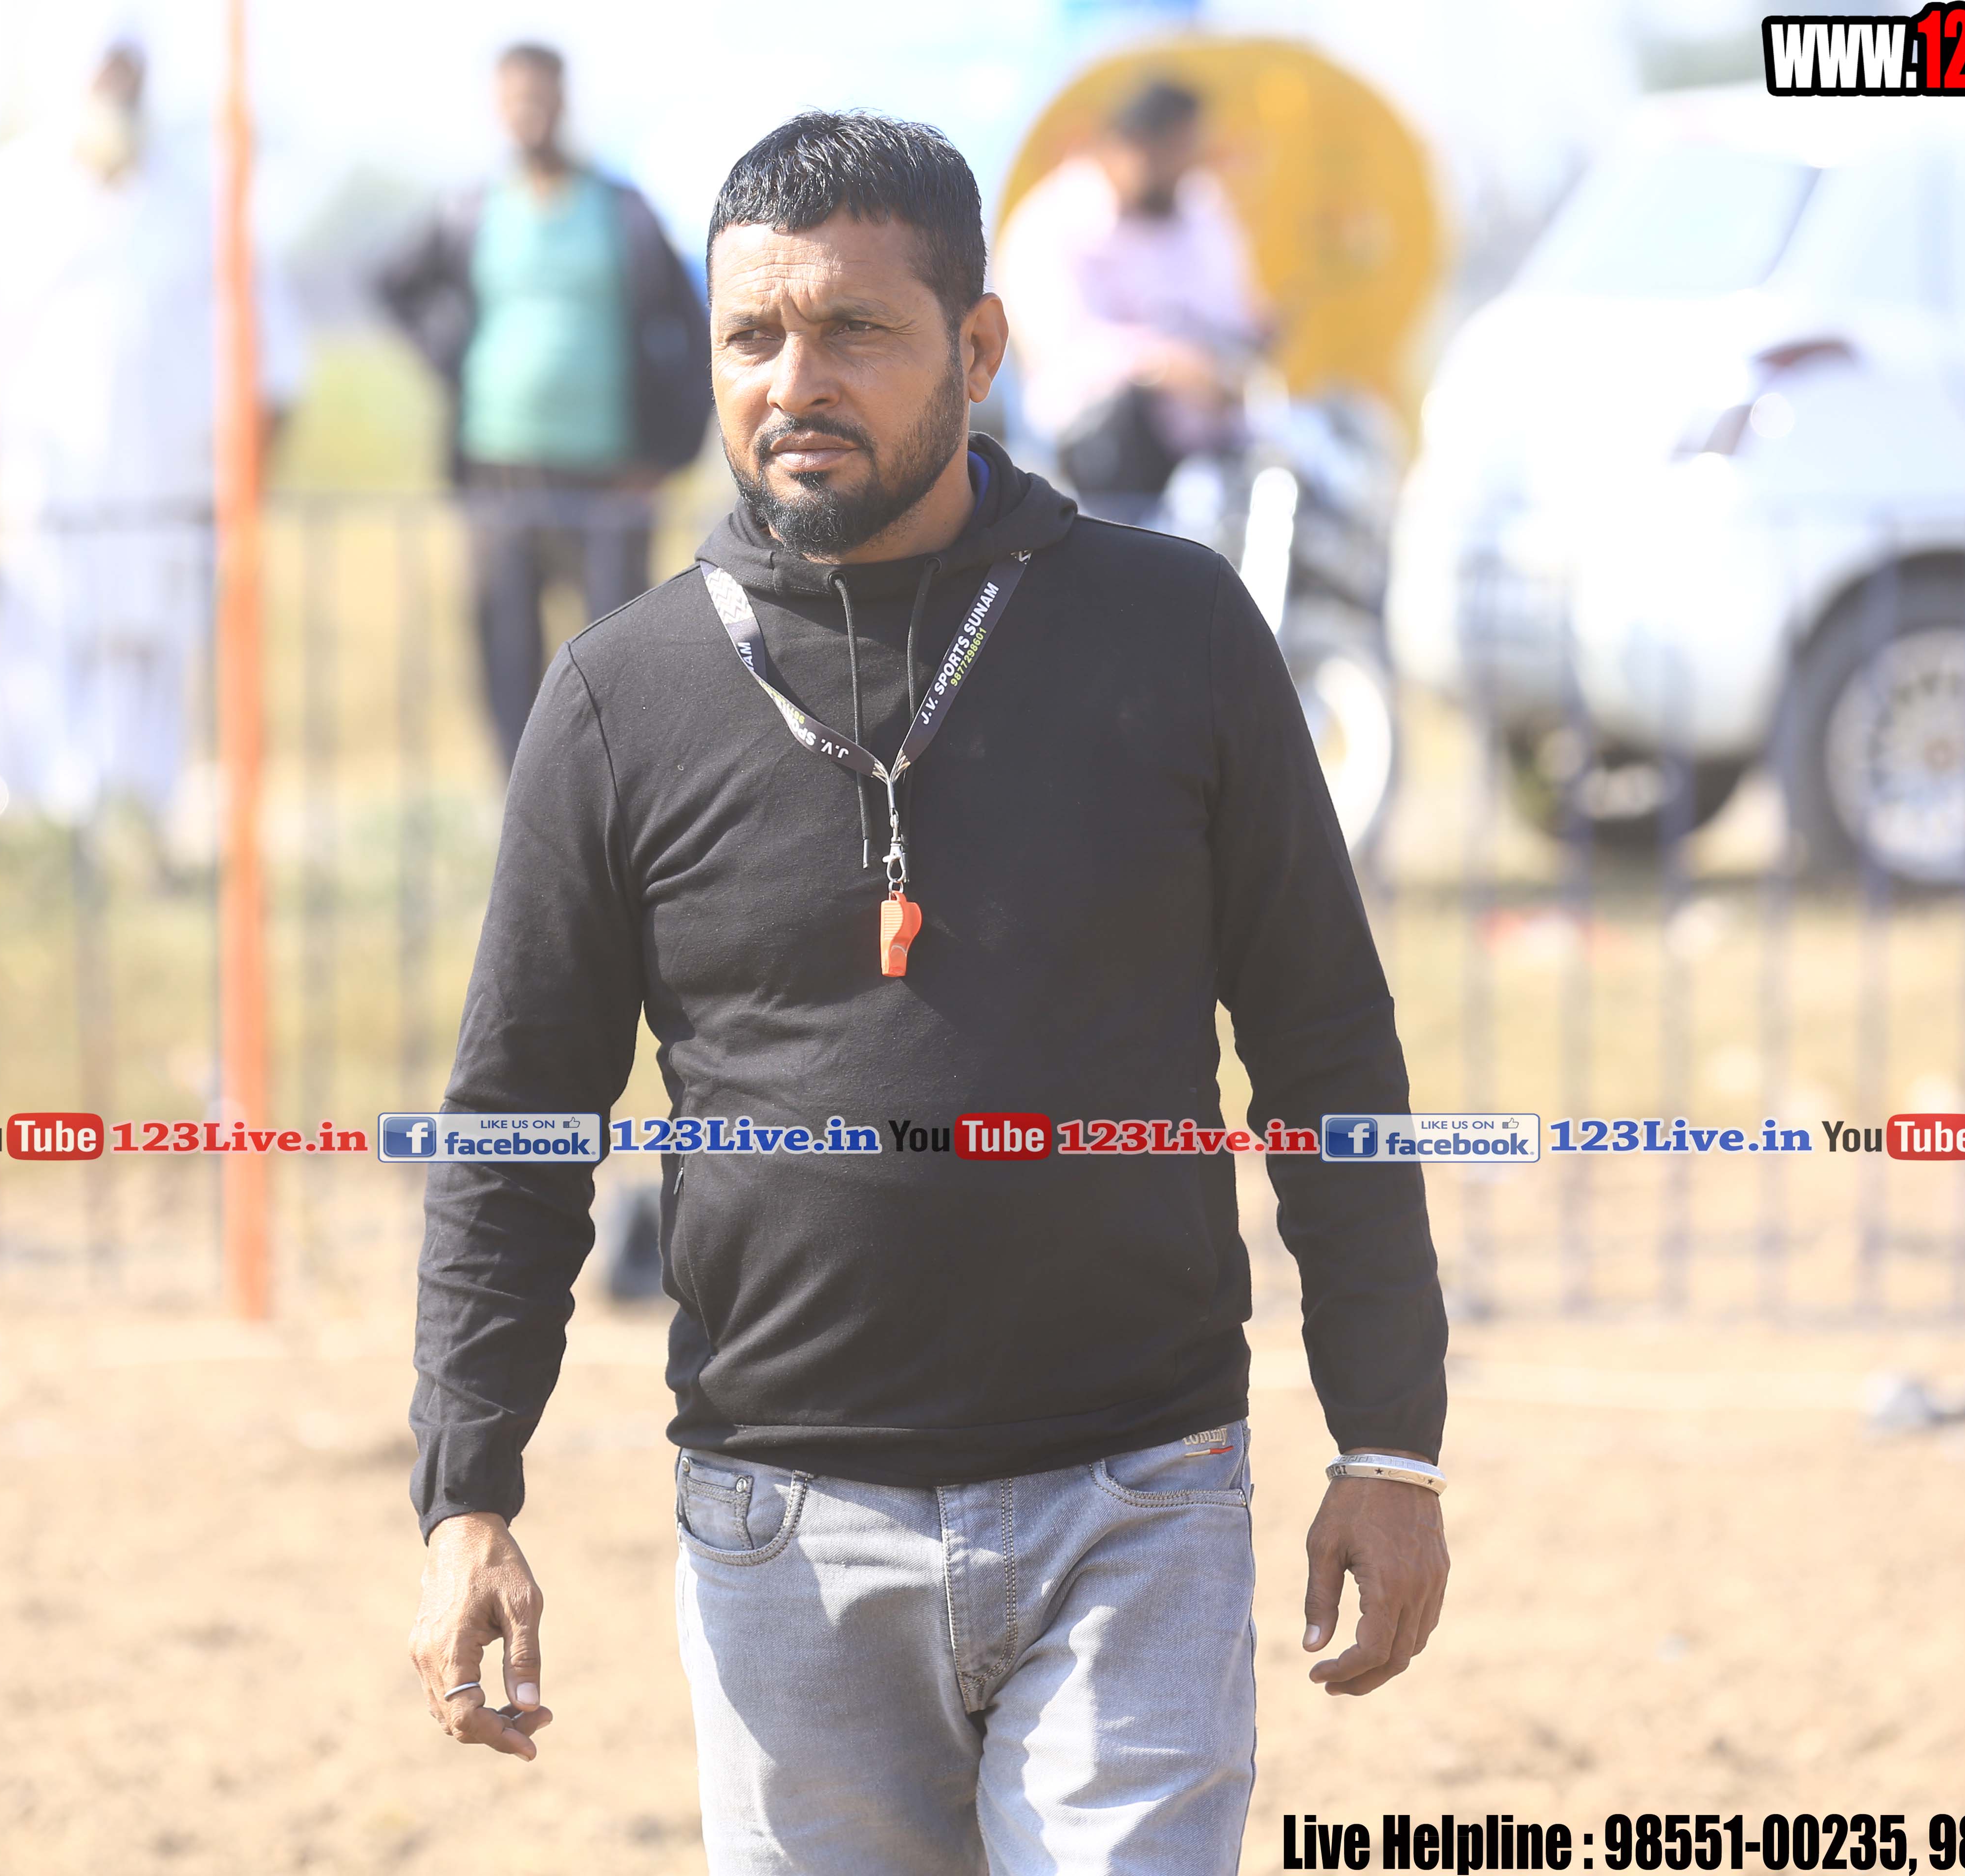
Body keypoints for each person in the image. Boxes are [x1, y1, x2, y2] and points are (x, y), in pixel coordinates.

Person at [406, 111, 1449, 1876]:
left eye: (854, 331)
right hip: (780, 1536)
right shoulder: (620, 700)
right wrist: (465, 1491)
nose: (793, 381)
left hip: (1138, 1501)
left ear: (976, 349)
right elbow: (517, 1123)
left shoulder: (1176, 634)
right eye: (752, 335)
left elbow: (1328, 1049)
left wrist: (1390, 1442)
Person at [0, 20, 305, 829]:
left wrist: (246, 487)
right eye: (104, 76)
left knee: (144, 665)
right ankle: (25, 835)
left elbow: (275, 361)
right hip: (48, 486)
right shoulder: (13, 189)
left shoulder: (196, 199)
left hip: (169, 491)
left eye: (131, 77)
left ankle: (131, 835)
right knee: (34, 658)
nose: (118, 94)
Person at [376, 43, 710, 767]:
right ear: (496, 107)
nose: (527, 112)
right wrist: (450, 356)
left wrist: (668, 455)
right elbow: (392, 285)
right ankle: (521, 799)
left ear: (563, 100)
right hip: (499, 475)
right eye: (513, 98)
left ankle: (622, 800)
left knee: (620, 651)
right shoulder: (468, 211)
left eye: (539, 96)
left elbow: (695, 329)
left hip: (608, 478)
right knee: (505, 652)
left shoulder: (621, 211)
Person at [993, 78, 1266, 515]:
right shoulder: (1051, 224)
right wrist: (1165, 367)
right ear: (1130, 146)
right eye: (1177, 154)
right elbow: (1063, 354)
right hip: (1098, 461)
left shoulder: (1199, 207)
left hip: (1211, 450)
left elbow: (1230, 311)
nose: (1188, 170)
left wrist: (1248, 339)